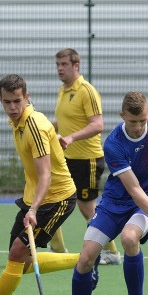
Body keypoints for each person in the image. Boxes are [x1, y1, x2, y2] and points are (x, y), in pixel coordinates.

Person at [56, 91, 148, 295]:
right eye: (132, 121)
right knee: (86, 257)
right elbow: (133, 189)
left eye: (142, 120)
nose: (137, 127)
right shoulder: (113, 143)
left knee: (129, 238)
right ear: (121, 115)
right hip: (115, 201)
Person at [0, 74, 81, 295]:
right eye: (7, 102)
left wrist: (33, 211)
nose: (12, 107)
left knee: (17, 252)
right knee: (19, 263)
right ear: (0, 100)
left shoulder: (33, 126)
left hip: (57, 199)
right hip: (34, 197)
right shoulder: (18, 121)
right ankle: (84, 259)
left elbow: (45, 176)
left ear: (27, 98)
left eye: (17, 101)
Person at [49, 48, 122, 266]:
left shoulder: (87, 91)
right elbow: (64, 123)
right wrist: (43, 127)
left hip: (87, 159)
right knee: (53, 199)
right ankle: (58, 250)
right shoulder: (63, 90)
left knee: (86, 207)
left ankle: (111, 252)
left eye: (64, 64)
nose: (60, 68)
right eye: (58, 64)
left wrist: (71, 138)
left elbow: (97, 125)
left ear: (76, 66)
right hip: (66, 158)